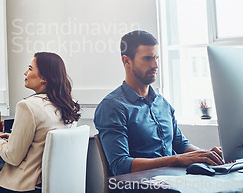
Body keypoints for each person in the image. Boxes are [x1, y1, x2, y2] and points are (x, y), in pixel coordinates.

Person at [94, 30, 223, 176]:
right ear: (126, 61)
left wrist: (208, 155)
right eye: (148, 58)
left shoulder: (162, 103)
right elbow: (120, 165)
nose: (155, 65)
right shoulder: (112, 107)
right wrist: (177, 159)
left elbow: (180, 144)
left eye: (157, 58)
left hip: (174, 181)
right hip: (142, 187)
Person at [0, 52, 81, 193]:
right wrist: (14, 139)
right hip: (56, 183)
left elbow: (13, 157)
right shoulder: (69, 105)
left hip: (29, 185)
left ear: (44, 78)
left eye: (30, 68)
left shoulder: (27, 106)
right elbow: (45, 142)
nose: (25, 72)